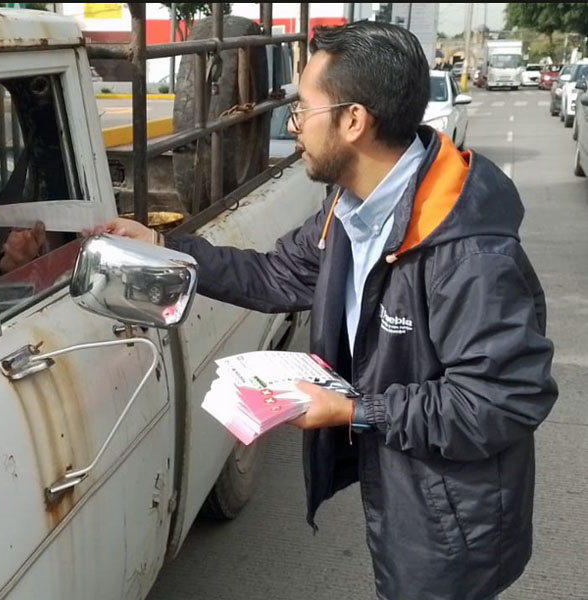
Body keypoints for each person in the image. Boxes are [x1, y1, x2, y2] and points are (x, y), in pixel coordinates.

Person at [95, 20, 557, 600]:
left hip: (453, 517)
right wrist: (163, 247)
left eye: (301, 111)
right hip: (400, 481)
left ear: (353, 120)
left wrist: (353, 410)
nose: (294, 128)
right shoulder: (351, 208)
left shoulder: (468, 253)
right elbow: (273, 275)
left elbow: (501, 400)